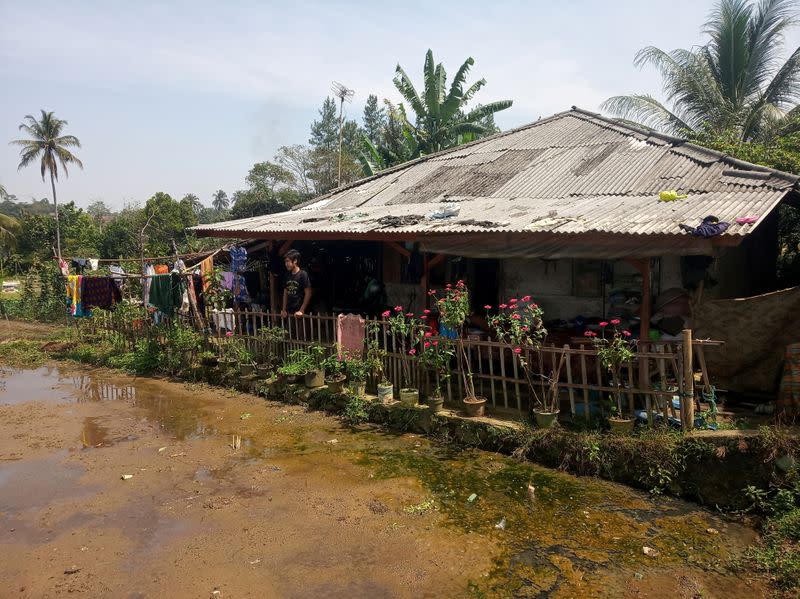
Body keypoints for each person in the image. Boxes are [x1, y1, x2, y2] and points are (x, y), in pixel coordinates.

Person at [281, 249, 311, 318]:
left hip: (299, 313)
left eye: (287, 261)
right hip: (289, 312)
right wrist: (284, 309)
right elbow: (285, 293)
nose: (286, 264)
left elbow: (308, 293)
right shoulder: (287, 275)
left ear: (295, 261)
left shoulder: (303, 274)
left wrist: (302, 310)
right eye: (285, 262)